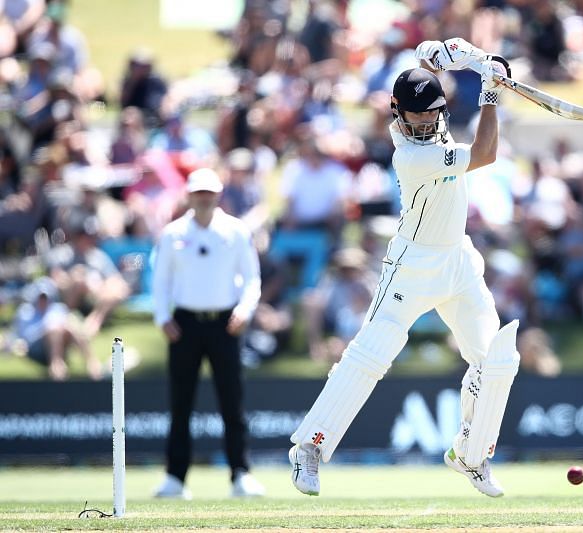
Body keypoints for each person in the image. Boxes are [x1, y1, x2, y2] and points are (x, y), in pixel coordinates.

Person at [288, 38, 520, 498]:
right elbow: (487, 153)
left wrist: (458, 57)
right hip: (411, 268)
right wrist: (490, 92)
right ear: (397, 115)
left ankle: (471, 455)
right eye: (416, 116)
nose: (426, 122)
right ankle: (309, 448)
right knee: (369, 357)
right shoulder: (412, 156)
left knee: (497, 357)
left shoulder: (431, 126)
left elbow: (425, 62)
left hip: (458, 261)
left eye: (432, 113)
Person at [151, 168, 264, 499]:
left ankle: (240, 474)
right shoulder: (173, 234)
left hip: (225, 323)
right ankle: (175, 478)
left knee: (232, 402)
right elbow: (161, 281)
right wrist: (162, 317)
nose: (203, 198)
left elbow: (252, 278)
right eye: (198, 192)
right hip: (184, 324)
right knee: (181, 403)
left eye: (209, 192)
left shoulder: (235, 230)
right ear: (188, 195)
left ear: (218, 195)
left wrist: (245, 310)